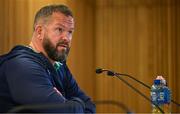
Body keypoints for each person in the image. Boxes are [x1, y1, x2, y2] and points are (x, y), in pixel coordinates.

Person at [0, 4, 96, 113]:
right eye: (59, 29)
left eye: (70, 32)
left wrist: (69, 103)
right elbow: (62, 112)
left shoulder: (59, 65)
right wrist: (77, 103)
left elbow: (90, 106)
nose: (66, 38)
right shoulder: (22, 66)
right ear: (40, 32)